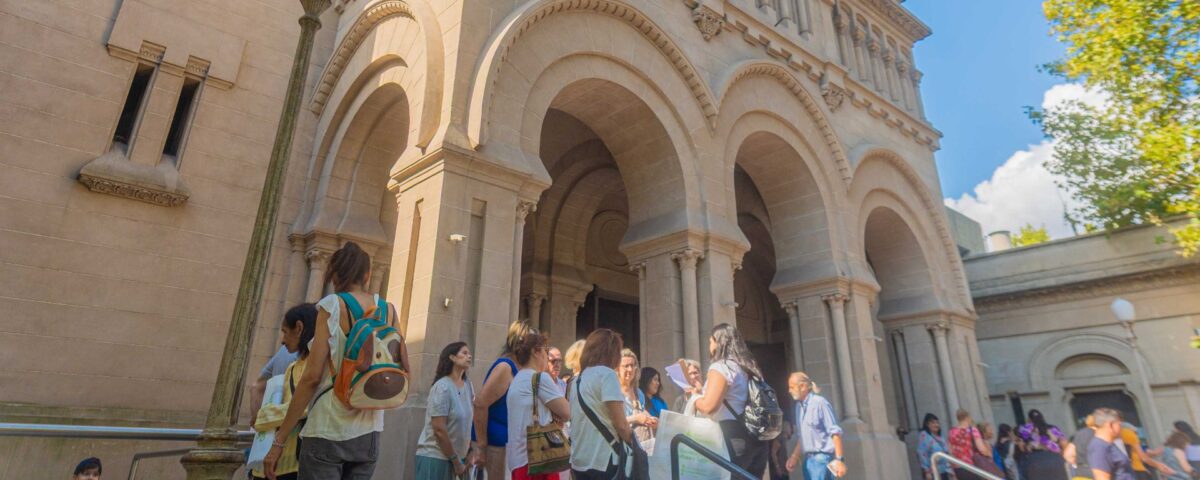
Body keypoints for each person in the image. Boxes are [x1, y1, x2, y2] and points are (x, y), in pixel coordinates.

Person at [264, 241, 407, 480]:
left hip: (328, 427)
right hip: (369, 431)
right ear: (367, 274)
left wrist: (279, 440)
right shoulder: (388, 310)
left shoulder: (332, 306)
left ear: (335, 275)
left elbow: (311, 378)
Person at [252, 303, 318, 480]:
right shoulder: (293, 367)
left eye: (285, 332)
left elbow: (306, 406)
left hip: (297, 461)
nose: (282, 340)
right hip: (275, 461)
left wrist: (263, 416)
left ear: (299, 328)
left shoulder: (317, 368)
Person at [694, 323, 769, 477]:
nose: (709, 346)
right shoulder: (749, 367)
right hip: (757, 437)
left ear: (718, 342)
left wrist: (695, 399)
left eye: (711, 341)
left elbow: (709, 407)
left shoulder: (721, 367)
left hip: (733, 437)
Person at [473, 320, 536, 480]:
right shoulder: (505, 368)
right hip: (496, 446)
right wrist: (481, 446)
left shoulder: (521, 370)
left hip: (512, 446)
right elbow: (480, 404)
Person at [568, 329, 635, 480]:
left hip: (579, 461)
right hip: (603, 459)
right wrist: (636, 446)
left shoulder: (576, 380)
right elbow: (621, 425)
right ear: (612, 352)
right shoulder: (607, 374)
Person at [507, 333, 571, 480]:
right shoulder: (539, 378)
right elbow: (567, 412)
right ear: (535, 351)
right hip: (540, 459)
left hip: (518, 460)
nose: (547, 356)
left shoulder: (516, 380)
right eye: (545, 351)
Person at [414, 342, 476, 480]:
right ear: (452, 357)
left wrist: (470, 450)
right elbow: (439, 429)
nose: (469, 356)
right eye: (464, 353)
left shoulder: (468, 385)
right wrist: (455, 461)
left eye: (469, 353)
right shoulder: (442, 387)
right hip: (437, 458)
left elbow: (467, 424)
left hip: (460, 461)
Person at [784, 371, 847, 479]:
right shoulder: (798, 407)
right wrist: (794, 457)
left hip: (822, 459)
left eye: (792, 387)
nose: (789, 390)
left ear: (803, 386)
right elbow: (802, 437)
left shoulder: (820, 403)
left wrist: (839, 459)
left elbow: (835, 432)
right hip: (808, 461)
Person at [618, 348, 657, 444]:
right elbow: (611, 422)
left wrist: (652, 420)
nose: (630, 369)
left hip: (640, 445)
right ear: (617, 368)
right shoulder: (613, 392)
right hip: (622, 445)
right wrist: (635, 418)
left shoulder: (638, 393)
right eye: (626, 366)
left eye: (632, 365)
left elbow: (642, 412)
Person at [1017, 409, 1069, 480]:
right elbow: (1064, 442)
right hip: (1055, 459)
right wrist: (1062, 454)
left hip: (1034, 461)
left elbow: (1021, 447)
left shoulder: (1025, 429)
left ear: (1029, 419)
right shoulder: (1052, 428)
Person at [251, 345, 299, 420]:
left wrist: (257, 420)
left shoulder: (283, 351)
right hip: (296, 419)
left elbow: (256, 387)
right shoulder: (310, 349)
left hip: (273, 419)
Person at [1088, 408, 1135, 480]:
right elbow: (1102, 477)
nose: (1121, 428)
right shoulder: (1099, 447)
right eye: (1119, 424)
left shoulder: (1110, 445)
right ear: (1110, 425)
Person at [948, 409, 991, 480]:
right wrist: (988, 453)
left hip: (958, 468)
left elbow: (950, 451)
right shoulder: (972, 430)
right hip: (972, 466)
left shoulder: (952, 432)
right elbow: (982, 449)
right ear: (968, 417)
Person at [917, 413, 955, 480]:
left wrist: (951, 470)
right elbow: (922, 453)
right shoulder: (924, 436)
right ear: (927, 424)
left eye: (937, 423)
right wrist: (927, 472)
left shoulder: (940, 436)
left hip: (945, 471)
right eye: (933, 423)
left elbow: (946, 453)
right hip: (933, 472)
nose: (936, 425)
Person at [1065, 415, 1097, 480]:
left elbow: (1068, 455)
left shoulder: (1078, 434)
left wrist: (1077, 465)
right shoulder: (1103, 434)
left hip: (1081, 473)